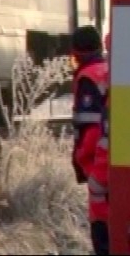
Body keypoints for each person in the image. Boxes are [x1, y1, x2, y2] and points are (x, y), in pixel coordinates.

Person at [70, 25, 110, 255]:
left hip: (101, 173)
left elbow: (92, 132)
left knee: (103, 237)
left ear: (77, 54)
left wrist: (85, 165)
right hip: (114, 172)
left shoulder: (88, 78)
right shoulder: (108, 71)